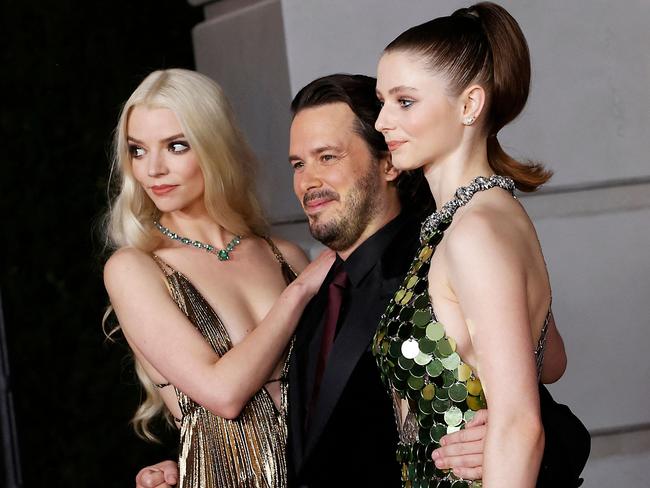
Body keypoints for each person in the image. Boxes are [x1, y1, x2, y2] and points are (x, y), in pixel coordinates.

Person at [136, 73, 588, 488]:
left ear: (389, 163)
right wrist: (195, 464)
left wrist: (507, 441)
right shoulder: (307, 283)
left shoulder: (443, 258)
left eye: (327, 158)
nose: (308, 181)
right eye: (298, 164)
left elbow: (552, 411)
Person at [373, 2, 587, 487]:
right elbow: (550, 361)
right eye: (382, 100)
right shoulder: (476, 219)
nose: (383, 120)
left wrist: (504, 426)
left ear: (469, 105)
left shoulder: (476, 231)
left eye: (404, 102)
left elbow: (520, 425)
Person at [102, 68, 334, 488]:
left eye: (175, 146)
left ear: (214, 147)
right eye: (137, 150)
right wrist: (298, 292)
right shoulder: (135, 269)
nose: (153, 169)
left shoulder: (285, 255)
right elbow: (223, 394)